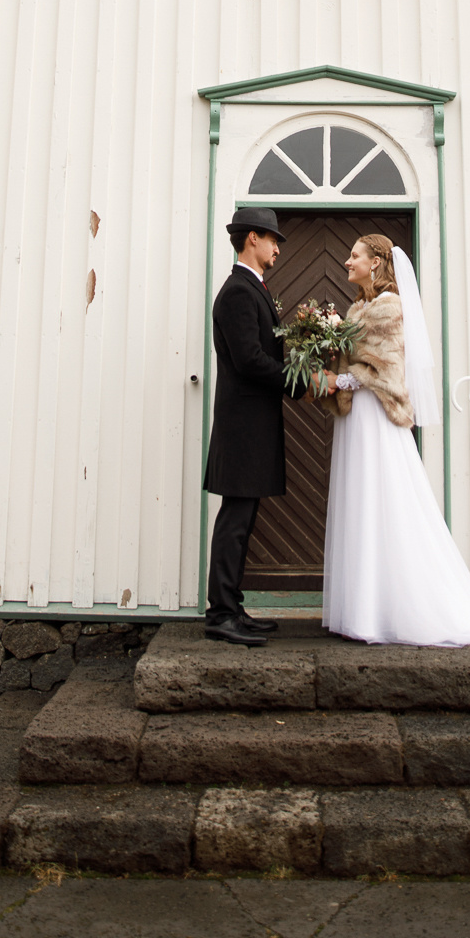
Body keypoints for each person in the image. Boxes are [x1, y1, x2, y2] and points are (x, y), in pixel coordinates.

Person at [317, 233, 470, 673]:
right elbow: (352, 358)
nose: (348, 262)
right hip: (355, 418)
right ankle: (361, 609)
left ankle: (385, 610)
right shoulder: (354, 310)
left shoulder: (390, 307)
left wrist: (342, 380)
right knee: (358, 501)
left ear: (376, 262)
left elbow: (387, 369)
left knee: (382, 498)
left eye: (355, 256)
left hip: (376, 415)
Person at [202, 206, 302, 648]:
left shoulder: (253, 288)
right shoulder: (238, 292)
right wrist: (300, 380)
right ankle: (221, 614)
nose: (278, 248)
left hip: (252, 424)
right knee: (235, 521)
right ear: (252, 239)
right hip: (242, 427)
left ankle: (232, 607)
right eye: (273, 239)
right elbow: (249, 360)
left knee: (242, 519)